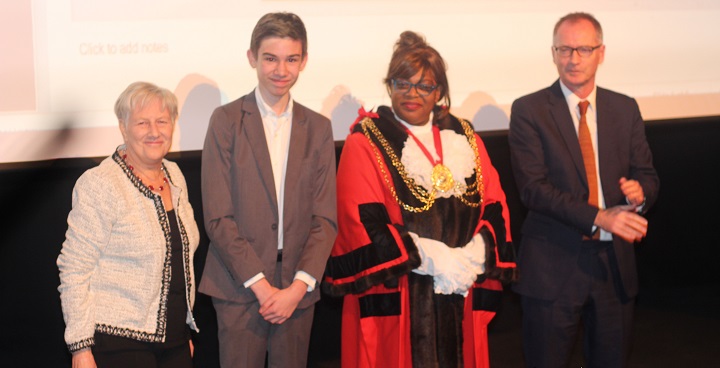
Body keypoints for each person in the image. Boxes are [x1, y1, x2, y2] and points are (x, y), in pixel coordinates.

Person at [323, 31, 516, 368]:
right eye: (402, 83)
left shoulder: (465, 135)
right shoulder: (365, 141)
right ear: (390, 85)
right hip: (400, 294)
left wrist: (472, 256)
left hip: (461, 287)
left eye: (423, 86)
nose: (412, 94)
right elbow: (361, 219)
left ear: (438, 91)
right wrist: (434, 257)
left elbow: (495, 203)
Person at [508, 12, 660, 368]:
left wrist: (640, 194)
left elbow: (648, 176)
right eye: (564, 49)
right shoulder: (529, 110)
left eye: (583, 49)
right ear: (553, 52)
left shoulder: (624, 108)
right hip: (552, 266)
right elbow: (533, 189)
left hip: (614, 269)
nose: (573, 59)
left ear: (601, 53)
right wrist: (599, 218)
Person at [198, 12, 337, 368]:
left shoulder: (318, 127)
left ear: (304, 61)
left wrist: (296, 289)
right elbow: (217, 217)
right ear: (252, 58)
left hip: (297, 289)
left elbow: (325, 220)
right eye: (270, 58)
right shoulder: (226, 121)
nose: (281, 70)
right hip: (238, 287)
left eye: (291, 59)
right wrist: (261, 286)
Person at [57, 81, 200, 368]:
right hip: (119, 344)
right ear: (123, 127)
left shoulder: (174, 174)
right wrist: (80, 347)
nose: (154, 131)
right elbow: (74, 268)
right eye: (142, 123)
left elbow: (180, 260)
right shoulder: (101, 184)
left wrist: (183, 329)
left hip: (174, 340)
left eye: (162, 121)